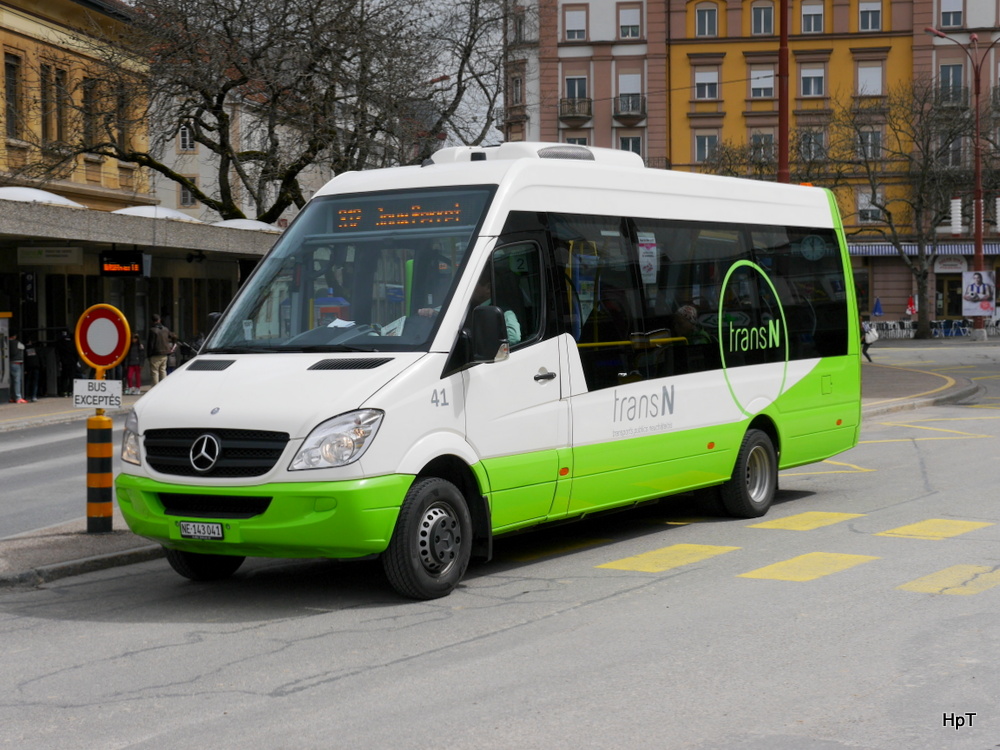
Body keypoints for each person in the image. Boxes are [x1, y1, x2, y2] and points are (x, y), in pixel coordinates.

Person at [147, 314, 177, 386]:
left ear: (152, 321)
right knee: (163, 371)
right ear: (159, 320)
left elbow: (151, 344)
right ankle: (163, 386)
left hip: (155, 353)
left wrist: (149, 355)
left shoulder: (152, 330)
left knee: (155, 372)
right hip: (165, 353)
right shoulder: (165, 329)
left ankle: (155, 388)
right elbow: (174, 336)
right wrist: (172, 346)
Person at [56, 329, 78, 397]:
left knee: (64, 377)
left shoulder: (60, 344)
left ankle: (64, 391)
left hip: (64, 362)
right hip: (72, 362)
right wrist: (76, 361)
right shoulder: (73, 344)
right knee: (72, 377)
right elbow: (76, 354)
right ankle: (71, 391)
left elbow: (57, 353)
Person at [8, 331, 26, 403]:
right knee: (17, 380)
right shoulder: (16, 342)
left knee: (10, 381)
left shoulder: (5, 342)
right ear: (14, 336)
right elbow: (23, 347)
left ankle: (10, 397)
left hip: (8, 363)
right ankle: (18, 397)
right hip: (16, 363)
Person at [23, 337, 41, 402]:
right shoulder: (35, 348)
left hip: (28, 367)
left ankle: (26, 395)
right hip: (36, 366)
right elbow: (39, 357)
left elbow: (24, 359)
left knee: (27, 381)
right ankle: (34, 396)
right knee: (35, 382)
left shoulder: (24, 349)